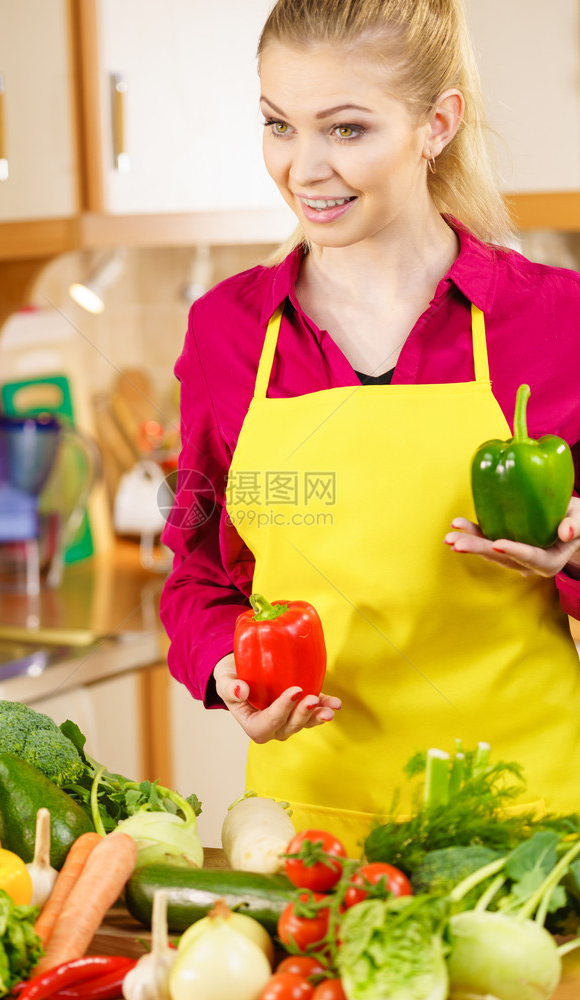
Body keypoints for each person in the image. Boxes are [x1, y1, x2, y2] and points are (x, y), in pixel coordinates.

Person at [160, 0, 580, 851]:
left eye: (345, 130)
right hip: (309, 833)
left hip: (526, 831)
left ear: (437, 124)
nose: (302, 168)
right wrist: (229, 669)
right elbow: (198, 568)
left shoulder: (552, 320)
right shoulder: (228, 332)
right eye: (278, 124)